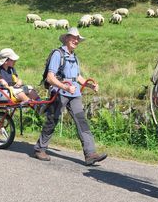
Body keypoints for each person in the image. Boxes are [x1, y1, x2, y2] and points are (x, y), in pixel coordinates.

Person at [33, 27, 107, 166]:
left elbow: (77, 76)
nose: (76, 40)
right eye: (74, 37)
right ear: (67, 38)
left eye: (78, 38)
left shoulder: (74, 56)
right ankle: (39, 149)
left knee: (82, 122)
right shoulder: (57, 54)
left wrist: (89, 85)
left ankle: (90, 154)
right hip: (59, 92)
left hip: (74, 93)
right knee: (52, 121)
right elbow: (50, 78)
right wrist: (65, 87)